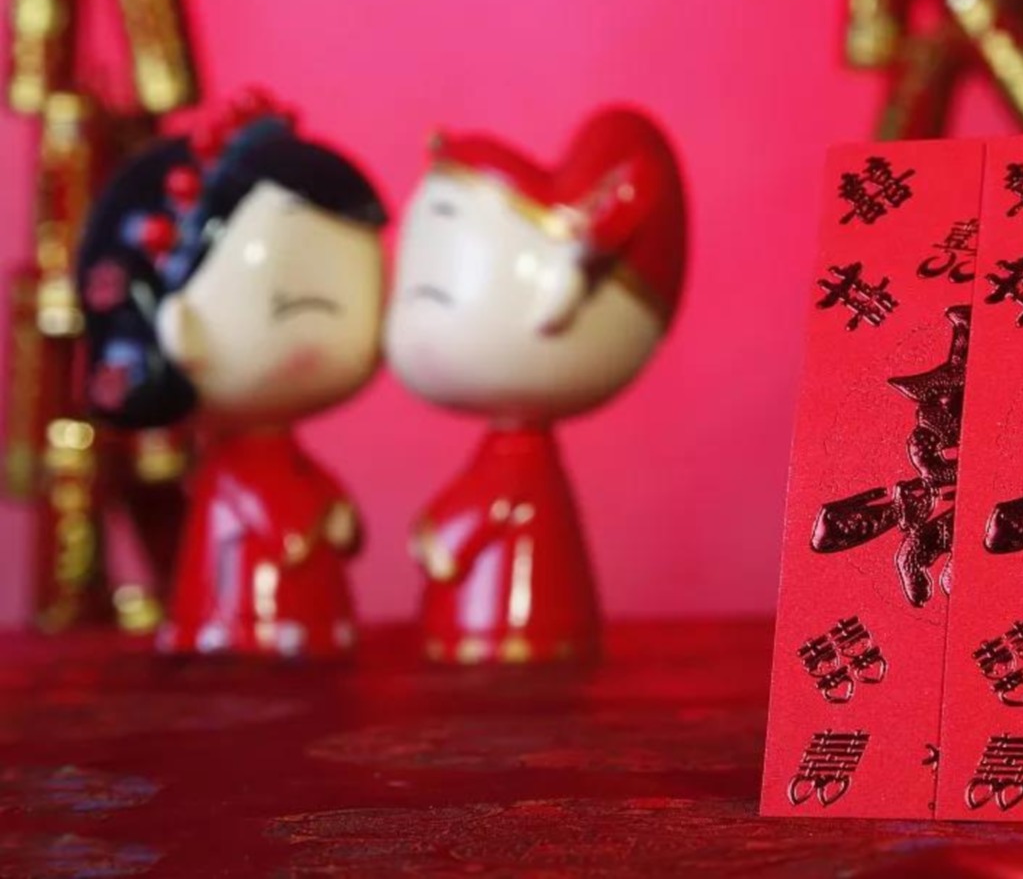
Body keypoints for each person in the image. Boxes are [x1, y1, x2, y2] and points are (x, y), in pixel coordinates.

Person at [77, 92, 387, 657]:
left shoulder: (285, 461)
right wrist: (302, 515)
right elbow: (260, 506)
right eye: (297, 305)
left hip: (316, 633)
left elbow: (314, 502)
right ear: (179, 323)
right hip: (230, 629)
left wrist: (329, 508)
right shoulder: (227, 471)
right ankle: (227, 624)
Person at [385, 107, 686, 664]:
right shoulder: (513, 458)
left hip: (501, 649)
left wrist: (437, 531)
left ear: (559, 292)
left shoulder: (515, 463)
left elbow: (481, 509)